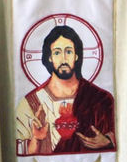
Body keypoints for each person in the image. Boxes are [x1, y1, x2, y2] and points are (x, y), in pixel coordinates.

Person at [16, 24, 116, 155]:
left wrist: (108, 141)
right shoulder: (31, 103)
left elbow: (123, 137)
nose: (63, 59)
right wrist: (37, 139)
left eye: (68, 51)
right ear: (50, 57)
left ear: (76, 56)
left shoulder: (101, 99)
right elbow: (19, 157)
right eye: (57, 52)